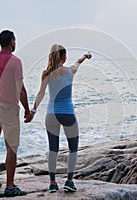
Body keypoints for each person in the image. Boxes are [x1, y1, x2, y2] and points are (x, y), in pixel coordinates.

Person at [25, 44, 92, 193]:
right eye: (65, 55)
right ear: (63, 57)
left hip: (51, 114)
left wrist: (33, 111)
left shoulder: (46, 73)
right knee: (73, 148)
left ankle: (52, 183)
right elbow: (77, 63)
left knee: (52, 149)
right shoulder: (70, 71)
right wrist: (85, 56)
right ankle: (69, 181)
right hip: (67, 113)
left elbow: (40, 93)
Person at [0, 30, 30, 197]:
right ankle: (10, 186)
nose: (15, 43)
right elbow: (21, 90)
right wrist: (27, 109)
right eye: (15, 40)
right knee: (11, 146)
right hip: (8, 106)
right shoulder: (15, 61)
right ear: (12, 42)